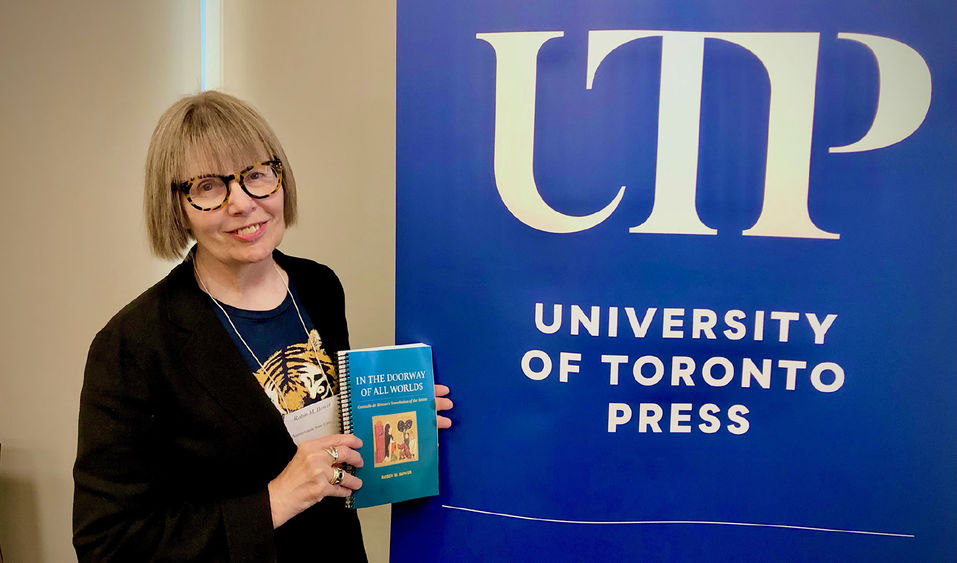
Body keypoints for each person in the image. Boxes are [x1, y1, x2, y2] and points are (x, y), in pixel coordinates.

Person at [72, 91, 453, 562]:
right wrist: (275, 500)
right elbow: (106, 545)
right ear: (176, 206)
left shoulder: (318, 286)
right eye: (209, 186)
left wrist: (397, 422)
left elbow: (330, 451)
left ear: (280, 179)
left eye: (256, 175)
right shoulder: (134, 344)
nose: (243, 203)